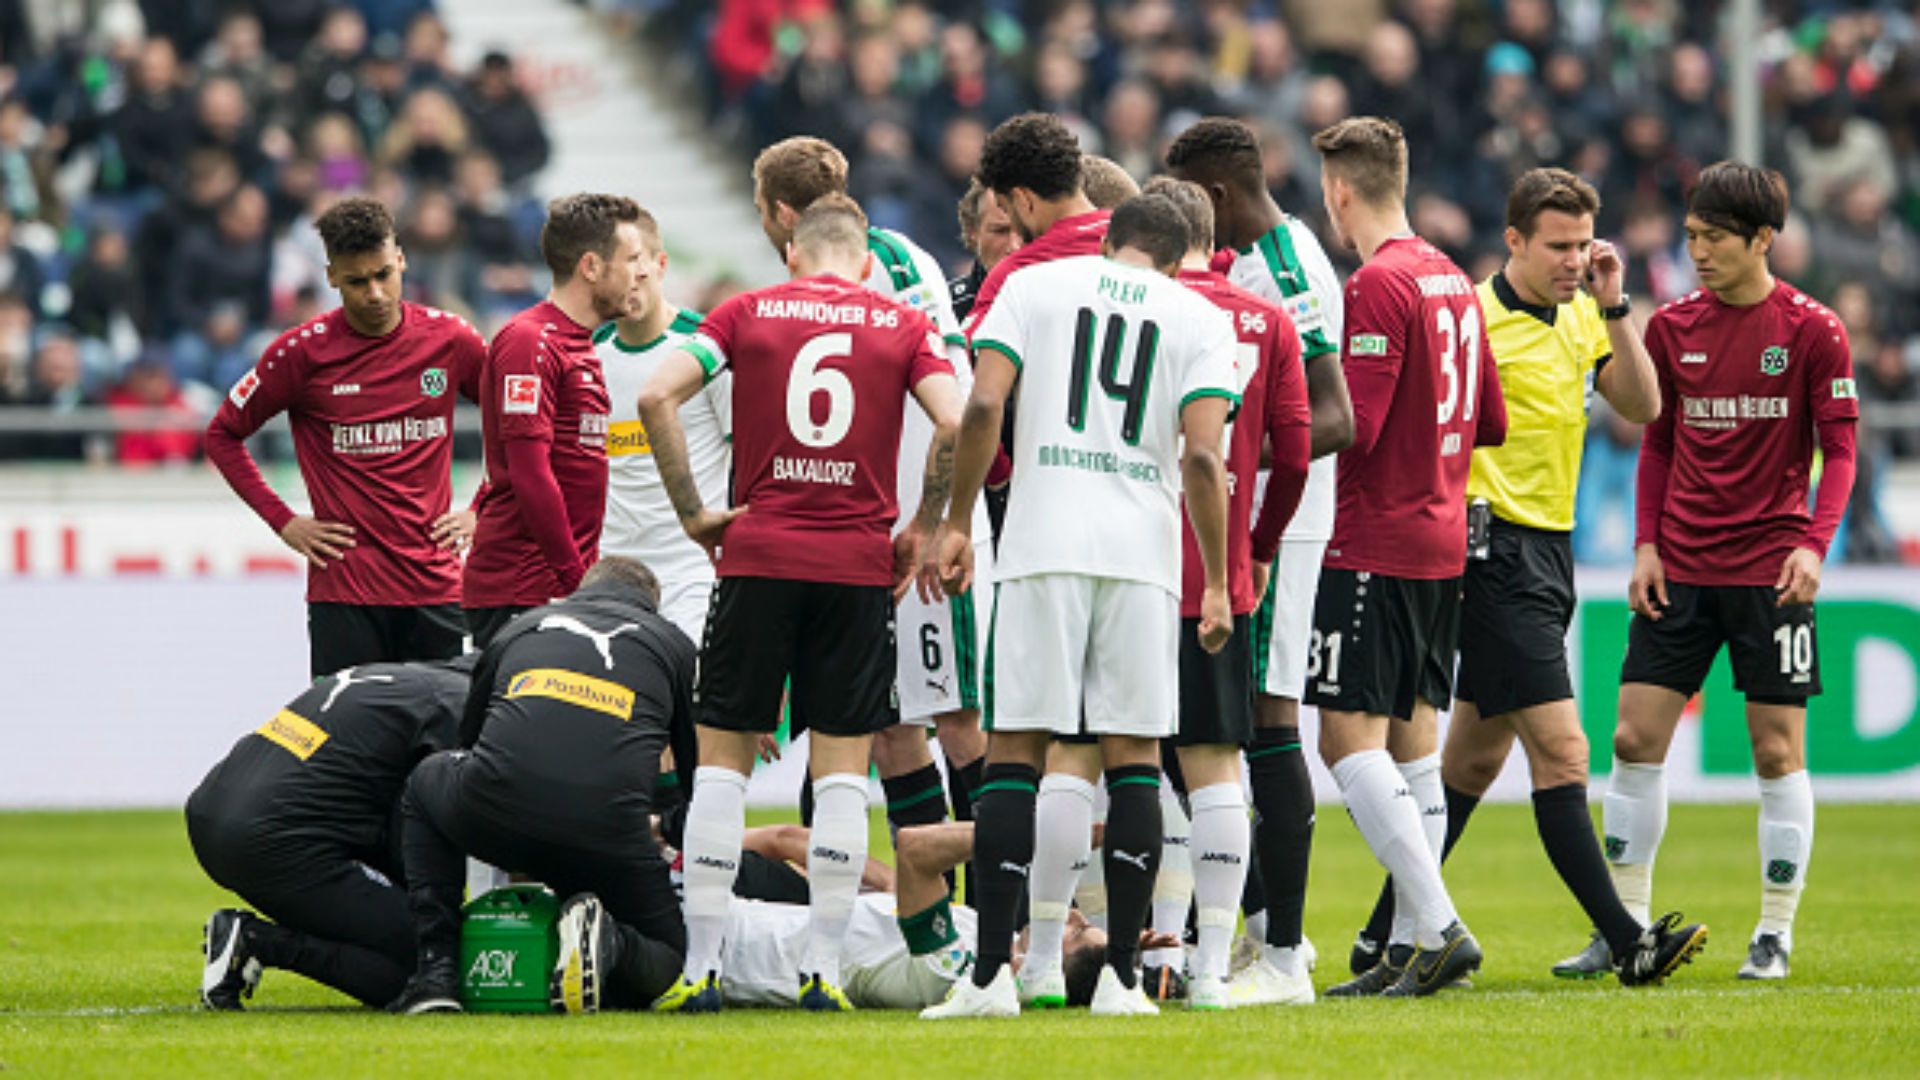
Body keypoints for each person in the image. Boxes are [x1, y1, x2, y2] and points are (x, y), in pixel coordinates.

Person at [1356, 167, 1709, 988]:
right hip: (1488, 550)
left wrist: (1617, 306)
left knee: (1469, 767)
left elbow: (1645, 407)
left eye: (1585, 243)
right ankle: (1628, 942)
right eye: (1558, 245)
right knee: (1562, 750)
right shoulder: (1470, 317)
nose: (1574, 259)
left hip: (1549, 550)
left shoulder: (1588, 311)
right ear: (1513, 241)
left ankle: (1382, 938)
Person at [921, 192, 1239, 1019]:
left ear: (1110, 241)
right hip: (1141, 558)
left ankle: (993, 976)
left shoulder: (1038, 286)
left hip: (1041, 542)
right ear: (1174, 259)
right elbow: (1204, 458)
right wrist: (1211, 579)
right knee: (1134, 757)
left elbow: (983, 406)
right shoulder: (1199, 316)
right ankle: (1124, 983)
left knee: (1016, 755)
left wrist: (956, 523)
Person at [643, 195, 963, 1012]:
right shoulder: (898, 322)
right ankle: (823, 970)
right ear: (862, 261)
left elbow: (654, 397)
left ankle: (700, 970)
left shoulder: (743, 311)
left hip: (759, 555)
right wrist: (923, 523)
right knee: (844, 771)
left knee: (720, 767)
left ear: (791, 252)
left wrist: (692, 514)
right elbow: (958, 421)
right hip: (854, 567)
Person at [1582, 162, 1858, 982]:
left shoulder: (1813, 329)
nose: (1695, 250)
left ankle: (1774, 931)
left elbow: (1839, 449)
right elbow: (1658, 442)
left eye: (1711, 239)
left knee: (1776, 753)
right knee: (1632, 738)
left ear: (1761, 239)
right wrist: (1645, 543)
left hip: (1771, 573)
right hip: (1681, 568)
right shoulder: (1669, 327)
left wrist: (1815, 542)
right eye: (1691, 235)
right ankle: (1627, 927)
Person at [1306, 117, 1506, 998]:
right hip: (1443, 536)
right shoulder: (1453, 278)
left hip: (1376, 536)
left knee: (1344, 737)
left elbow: (1362, 425)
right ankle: (1410, 949)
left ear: (1339, 191)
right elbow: (1491, 421)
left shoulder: (1379, 284)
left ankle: (1440, 927)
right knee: (1413, 745)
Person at [746, 137, 988, 850]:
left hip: (921, 526)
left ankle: (992, 914)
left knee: (953, 718)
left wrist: (936, 517)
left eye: (761, 212)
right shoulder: (864, 267)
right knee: (879, 724)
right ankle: (923, 912)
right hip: (858, 534)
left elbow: (955, 397)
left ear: (784, 215)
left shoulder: (893, 264)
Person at [1166, 115, 1355, 994]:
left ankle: (1285, 948)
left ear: (1212, 196)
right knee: (1211, 730)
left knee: (1268, 723)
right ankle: (1256, 930)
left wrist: (1236, 466)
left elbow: (1334, 417)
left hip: (1270, 524)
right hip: (1235, 517)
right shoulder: (1258, 262)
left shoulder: (1279, 269)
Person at [1143, 177, 1315, 1007]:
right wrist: (1258, 548)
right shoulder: (1267, 320)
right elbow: (1298, 448)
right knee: (1217, 772)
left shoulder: (1141, 310)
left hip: (1133, 569)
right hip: (1221, 577)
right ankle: (1213, 966)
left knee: (1126, 766)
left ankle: (1152, 959)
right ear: (1216, 241)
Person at [388, 557, 697, 1015]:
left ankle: (437, 969)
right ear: (652, 606)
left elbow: (469, 739)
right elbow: (689, 775)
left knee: (423, 783)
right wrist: (662, 829)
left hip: (495, 811)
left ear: (581, 592)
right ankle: (610, 939)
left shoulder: (520, 627)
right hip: (606, 830)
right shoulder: (674, 645)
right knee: (667, 958)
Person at [203, 196, 486, 678]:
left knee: (441, 742)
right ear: (331, 276)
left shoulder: (451, 340)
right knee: (348, 747)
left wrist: (482, 508)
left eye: (383, 275)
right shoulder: (299, 354)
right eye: (357, 281)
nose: (374, 293)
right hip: (345, 593)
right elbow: (222, 435)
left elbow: (521, 426)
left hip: (435, 586)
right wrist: (284, 522)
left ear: (401, 260)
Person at [188, 656, 473, 1009]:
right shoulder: (458, 702)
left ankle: (249, 941)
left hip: (211, 812)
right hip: (278, 839)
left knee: (405, 925)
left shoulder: (402, 679)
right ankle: (259, 942)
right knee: (436, 962)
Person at [462, 193, 647, 649]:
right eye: (630, 260)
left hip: (554, 588)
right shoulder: (530, 341)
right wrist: (575, 581)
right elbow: (529, 472)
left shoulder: (579, 342)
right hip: (524, 589)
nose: (639, 273)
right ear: (590, 266)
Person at [719, 822, 1156, 1010]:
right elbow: (895, 880)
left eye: (1077, 933)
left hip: (727, 947)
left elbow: (914, 849)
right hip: (737, 912)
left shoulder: (949, 970)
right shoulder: (978, 940)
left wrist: (1039, 832)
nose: (1074, 915)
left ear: (1044, 974)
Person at [593, 209, 724, 643]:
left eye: (637, 265)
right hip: (612, 573)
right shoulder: (587, 356)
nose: (627, 282)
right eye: (614, 270)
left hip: (693, 570)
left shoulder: (706, 348)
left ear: (661, 264)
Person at [947, 178, 1023, 324]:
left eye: (1024, 232)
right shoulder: (947, 309)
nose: (1014, 246)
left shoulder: (1068, 300)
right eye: (1000, 231)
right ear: (973, 232)